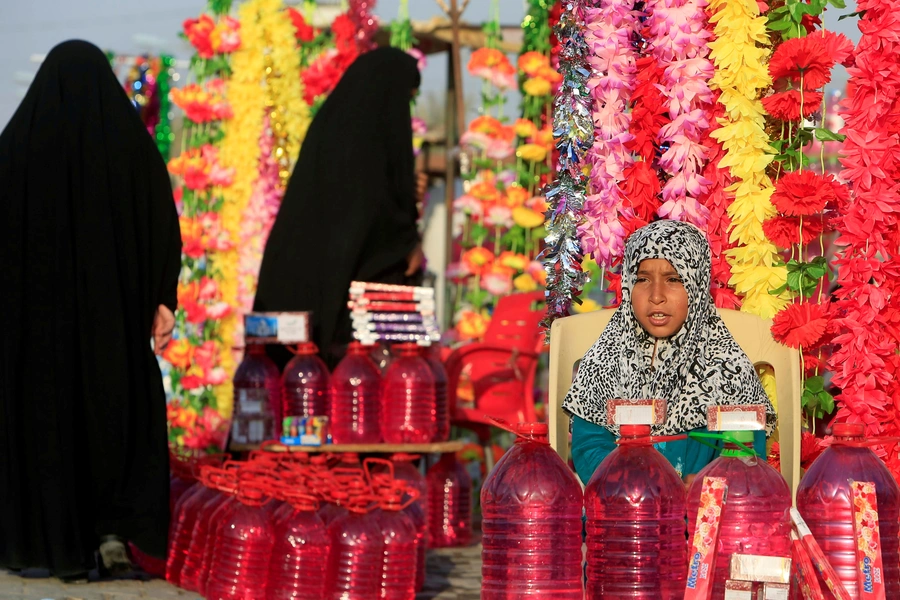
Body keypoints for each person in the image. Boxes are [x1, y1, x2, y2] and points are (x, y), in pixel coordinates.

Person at [0, 41, 181, 580]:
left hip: (36, 340)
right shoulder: (130, 148)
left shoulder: (17, 151)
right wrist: (162, 298)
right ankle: (110, 533)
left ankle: (46, 538)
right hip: (112, 332)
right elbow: (161, 226)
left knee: (46, 425)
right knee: (112, 420)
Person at [563, 220, 774, 484]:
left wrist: (705, 485)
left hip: (703, 515)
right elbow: (589, 445)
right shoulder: (604, 361)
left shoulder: (728, 366)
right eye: (642, 279)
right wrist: (632, 484)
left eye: (674, 279)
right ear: (628, 285)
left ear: (696, 286)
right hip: (623, 508)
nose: (656, 295)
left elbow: (747, 460)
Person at [254, 47, 424, 368]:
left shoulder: (334, 129)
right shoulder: (367, 150)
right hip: (347, 334)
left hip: (301, 309)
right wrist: (406, 241)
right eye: (407, 99)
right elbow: (374, 223)